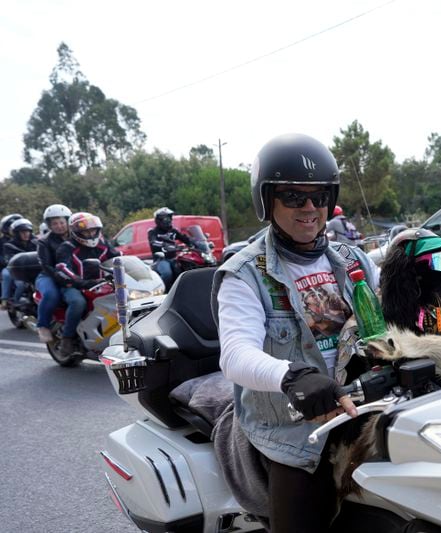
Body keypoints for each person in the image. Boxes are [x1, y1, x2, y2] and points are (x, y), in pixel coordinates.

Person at [210, 133, 379, 531]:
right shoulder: (245, 273)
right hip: (294, 430)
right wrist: (291, 376)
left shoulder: (353, 260)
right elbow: (235, 354)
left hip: (366, 408)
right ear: (267, 201)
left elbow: (390, 315)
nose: (309, 208)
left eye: (318, 197)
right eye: (292, 196)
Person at [54, 212, 119, 357]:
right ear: (76, 232)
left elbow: (119, 258)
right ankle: (67, 339)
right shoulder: (67, 247)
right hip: (74, 286)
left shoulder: (103, 244)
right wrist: (81, 282)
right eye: (86, 231)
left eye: (93, 230)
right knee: (78, 303)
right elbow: (62, 269)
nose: (90, 234)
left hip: (101, 284)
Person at [35, 204, 72, 343]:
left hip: (73, 275)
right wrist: (63, 278)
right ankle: (43, 325)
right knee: (51, 294)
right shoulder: (44, 241)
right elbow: (46, 266)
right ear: (49, 225)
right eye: (55, 223)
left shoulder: (77, 236)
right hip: (48, 275)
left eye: (62, 222)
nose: (59, 226)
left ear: (68, 221)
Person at [148, 207, 193, 288]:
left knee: (184, 270)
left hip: (174, 258)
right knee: (167, 273)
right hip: (161, 260)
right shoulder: (153, 232)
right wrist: (165, 245)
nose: (168, 220)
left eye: (169, 218)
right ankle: (161, 290)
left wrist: (193, 243)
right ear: (159, 220)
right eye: (165, 218)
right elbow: (153, 242)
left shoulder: (173, 231)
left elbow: (184, 238)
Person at [1, 218, 37, 309]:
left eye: (28, 231)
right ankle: (12, 301)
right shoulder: (9, 245)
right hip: (16, 269)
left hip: (32, 269)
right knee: (20, 284)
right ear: (16, 233)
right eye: (23, 232)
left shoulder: (35, 243)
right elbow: (8, 260)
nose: (26, 234)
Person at [0, 213, 22, 299]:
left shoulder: (24, 239)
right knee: (6, 275)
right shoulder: (2, 241)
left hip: (24, 266)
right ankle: (4, 298)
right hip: (8, 266)